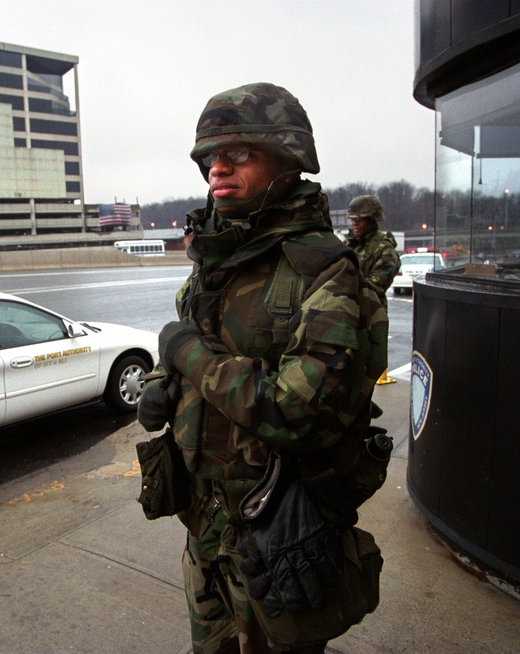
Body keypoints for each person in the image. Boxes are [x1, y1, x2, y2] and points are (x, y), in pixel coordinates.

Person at [137, 83, 390, 653]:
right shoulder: (218, 256)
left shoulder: (324, 269)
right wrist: (162, 381)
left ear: (288, 159)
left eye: (238, 154)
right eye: (209, 158)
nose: (216, 169)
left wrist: (186, 356)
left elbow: (296, 410)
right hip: (206, 514)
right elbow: (197, 347)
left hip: (278, 523)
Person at [343, 195, 401, 304]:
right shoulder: (347, 245)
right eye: (353, 219)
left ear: (372, 220)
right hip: (345, 310)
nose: (355, 223)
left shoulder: (385, 250)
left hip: (370, 314)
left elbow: (375, 287)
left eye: (360, 219)